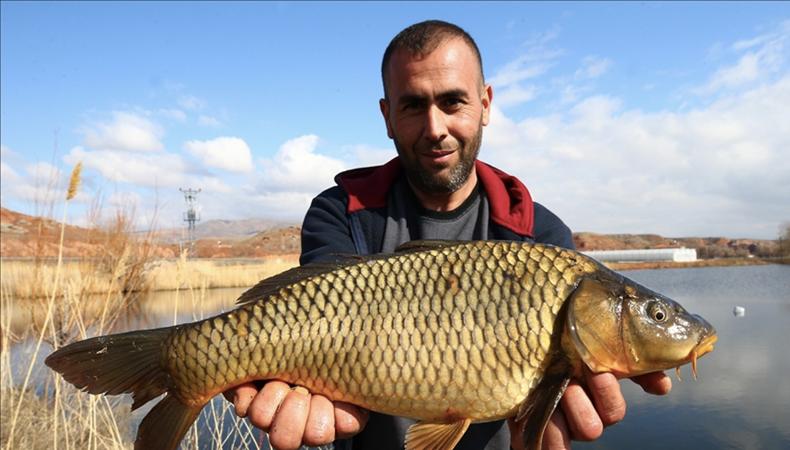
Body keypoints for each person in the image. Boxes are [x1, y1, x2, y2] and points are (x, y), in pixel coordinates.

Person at [226, 20, 672, 450]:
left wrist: (533, 434)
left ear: (485, 105)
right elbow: (303, 315)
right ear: (387, 115)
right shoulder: (341, 212)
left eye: (453, 102)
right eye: (413, 105)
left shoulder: (541, 235)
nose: (435, 128)